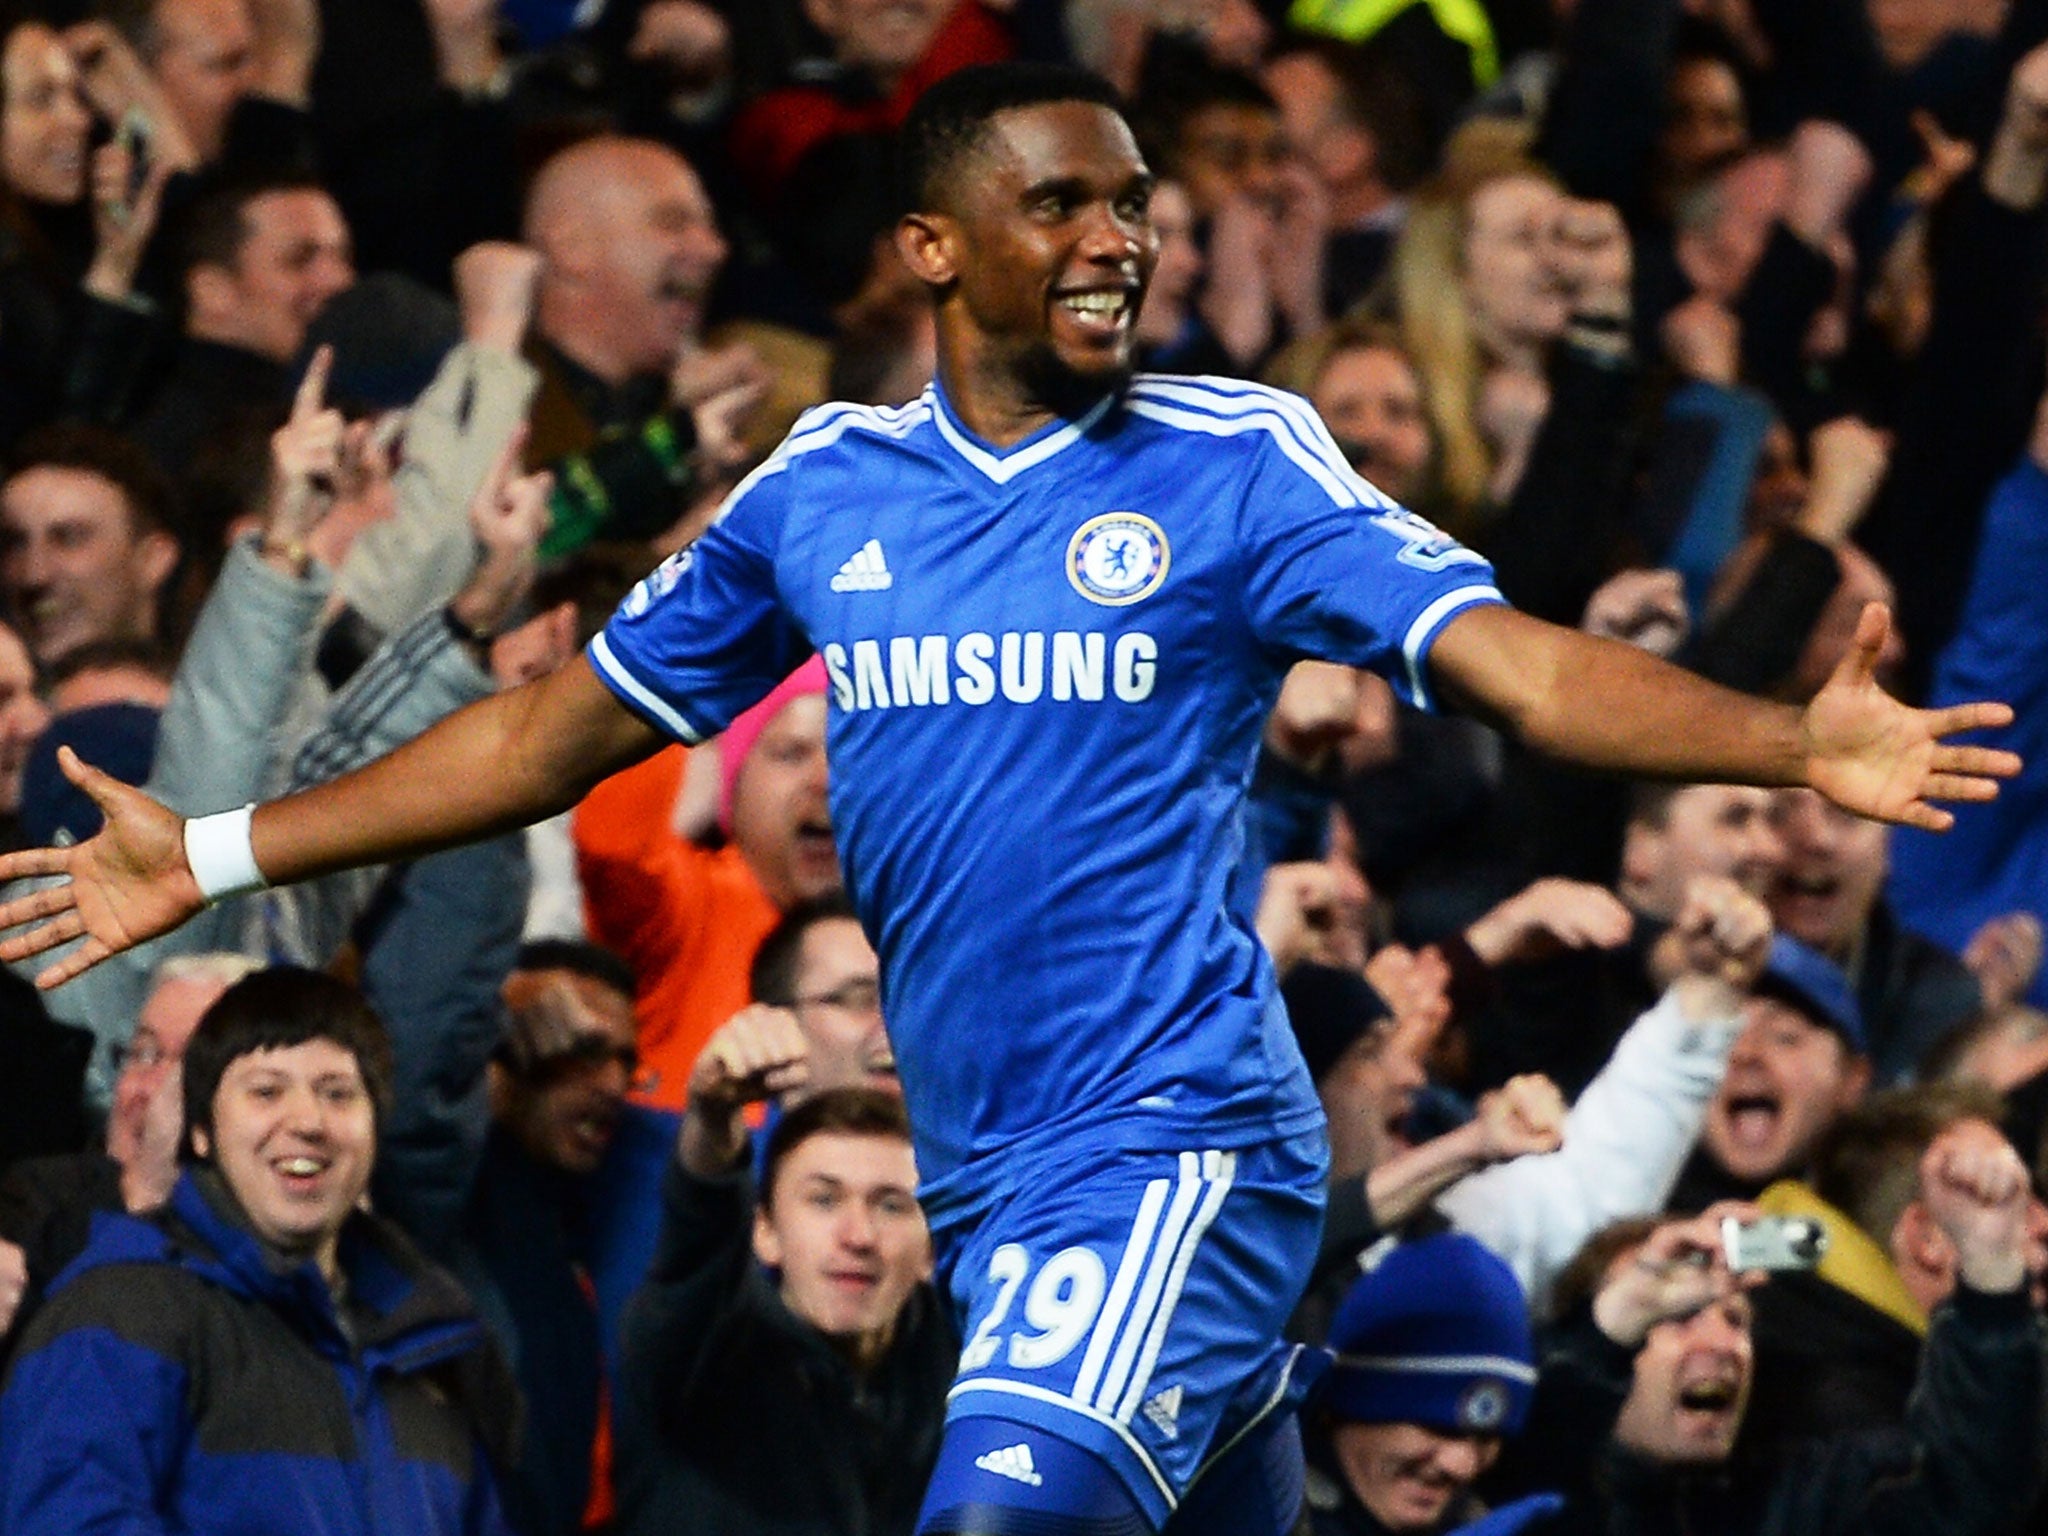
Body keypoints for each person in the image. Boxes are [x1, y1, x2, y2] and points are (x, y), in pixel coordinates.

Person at [0, 62, 2020, 1536]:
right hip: (991, 1182)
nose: (1117, 235)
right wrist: (212, 846)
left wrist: (1782, 734)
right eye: (1062, 202)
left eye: (1132, 201)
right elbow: (553, 737)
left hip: (1173, 1155)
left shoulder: (1239, 458)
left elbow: (1520, 665)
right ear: (936, 244)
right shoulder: (824, 492)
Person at [0, 966, 519, 1535]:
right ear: (201, 1132)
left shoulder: (436, 1343)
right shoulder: (117, 1317)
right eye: (266, 1091)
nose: (307, 1121)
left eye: (338, 1093)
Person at [613, 1083, 953, 1535]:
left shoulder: (963, 1370)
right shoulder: (700, 1353)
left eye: (891, 1205)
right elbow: (693, 1243)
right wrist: (712, 1122)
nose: (858, 1236)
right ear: (765, 1230)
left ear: (930, 1247)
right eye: (824, 1200)